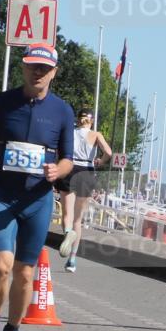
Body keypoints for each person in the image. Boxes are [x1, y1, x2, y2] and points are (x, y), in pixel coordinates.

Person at [0, 42, 75, 331]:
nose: (37, 72)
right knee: (1, 265)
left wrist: (59, 169)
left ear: (54, 72)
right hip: (3, 195)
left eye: (44, 68)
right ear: (23, 68)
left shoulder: (62, 111)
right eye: (32, 66)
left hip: (38, 199)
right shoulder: (2, 101)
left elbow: (69, 159)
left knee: (25, 274)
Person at [56, 108, 113, 272]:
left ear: (78, 120)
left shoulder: (70, 132)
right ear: (91, 121)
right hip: (87, 170)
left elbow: (60, 150)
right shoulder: (96, 135)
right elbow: (108, 152)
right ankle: (72, 260)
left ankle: (67, 233)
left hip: (70, 167)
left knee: (67, 214)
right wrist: (101, 161)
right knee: (78, 220)